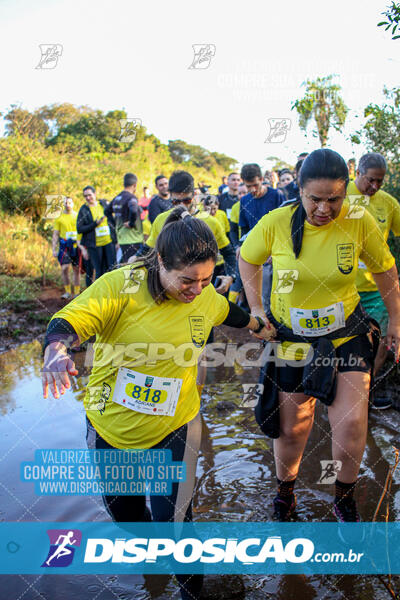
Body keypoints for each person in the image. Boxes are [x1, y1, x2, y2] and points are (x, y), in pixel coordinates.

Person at [42, 205, 272, 600]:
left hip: (176, 426)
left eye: (205, 280)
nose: (197, 290)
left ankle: (189, 592)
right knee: (129, 519)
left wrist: (259, 325)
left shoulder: (203, 297)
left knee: (178, 523)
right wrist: (56, 349)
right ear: (161, 261)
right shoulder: (120, 287)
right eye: (187, 280)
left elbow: (228, 312)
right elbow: (70, 321)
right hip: (112, 429)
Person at [239, 149, 400, 523]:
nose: (325, 209)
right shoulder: (277, 222)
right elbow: (248, 259)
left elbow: (386, 271)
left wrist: (396, 321)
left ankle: (343, 497)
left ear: (346, 192)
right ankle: (285, 494)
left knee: (352, 421)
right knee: (294, 427)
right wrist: (257, 311)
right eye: (315, 199)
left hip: (346, 334)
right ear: (299, 191)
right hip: (292, 338)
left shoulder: (358, 220)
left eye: (334, 200)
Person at [349, 152, 400, 409]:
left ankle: (364, 392)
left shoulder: (388, 204)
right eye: (370, 180)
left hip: (377, 288)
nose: (375, 186)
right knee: (346, 342)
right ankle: (339, 390)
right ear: (357, 172)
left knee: (380, 342)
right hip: (343, 287)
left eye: (380, 181)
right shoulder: (339, 195)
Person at [144, 171, 237, 296]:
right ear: (170, 197)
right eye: (176, 202)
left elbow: (229, 254)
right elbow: (147, 251)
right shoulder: (161, 219)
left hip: (201, 289)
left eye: (187, 200)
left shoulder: (211, 222)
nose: (182, 206)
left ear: (194, 195)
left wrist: (231, 276)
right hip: (171, 290)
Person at [239, 163, 285, 312]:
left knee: (283, 293)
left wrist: (277, 249)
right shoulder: (245, 201)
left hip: (278, 253)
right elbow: (244, 228)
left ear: (261, 179)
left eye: (255, 185)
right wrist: (241, 247)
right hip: (258, 256)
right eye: (248, 186)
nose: (253, 190)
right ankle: (266, 330)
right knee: (262, 296)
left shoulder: (276, 195)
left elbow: (285, 225)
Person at [77, 186, 115, 283]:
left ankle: (111, 294)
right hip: (94, 245)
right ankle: (98, 295)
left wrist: (116, 240)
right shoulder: (84, 210)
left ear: (95, 194)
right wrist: (95, 224)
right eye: (85, 196)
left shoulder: (103, 204)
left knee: (112, 269)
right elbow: (79, 229)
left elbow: (113, 220)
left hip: (109, 242)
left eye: (89, 195)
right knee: (99, 272)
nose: (88, 198)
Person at [52, 197, 86, 299]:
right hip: (65, 245)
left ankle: (76, 293)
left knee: (76, 270)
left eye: (70, 203)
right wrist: (54, 248)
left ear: (73, 204)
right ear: (63, 204)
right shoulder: (59, 218)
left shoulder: (77, 216)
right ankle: (67, 292)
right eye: (66, 203)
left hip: (76, 245)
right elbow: (55, 234)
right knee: (64, 268)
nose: (68, 204)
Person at [105, 173, 143, 263]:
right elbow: (133, 209)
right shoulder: (131, 197)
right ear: (135, 185)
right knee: (134, 268)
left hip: (122, 239)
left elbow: (106, 211)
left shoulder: (117, 198)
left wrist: (115, 225)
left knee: (125, 266)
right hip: (134, 239)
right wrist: (131, 223)